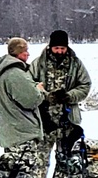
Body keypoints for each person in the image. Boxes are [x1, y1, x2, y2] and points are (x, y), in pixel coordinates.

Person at [0, 37, 49, 178]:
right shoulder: (15, 74)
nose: (28, 54)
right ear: (18, 53)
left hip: (10, 133)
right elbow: (31, 100)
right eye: (25, 51)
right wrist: (39, 90)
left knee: (12, 176)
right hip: (24, 135)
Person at [29, 29, 92, 160]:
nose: (59, 51)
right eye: (56, 48)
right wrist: (45, 96)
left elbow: (85, 85)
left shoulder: (75, 64)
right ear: (50, 46)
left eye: (62, 48)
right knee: (39, 161)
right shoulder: (38, 64)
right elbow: (29, 85)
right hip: (44, 121)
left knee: (66, 162)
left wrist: (69, 96)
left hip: (68, 120)